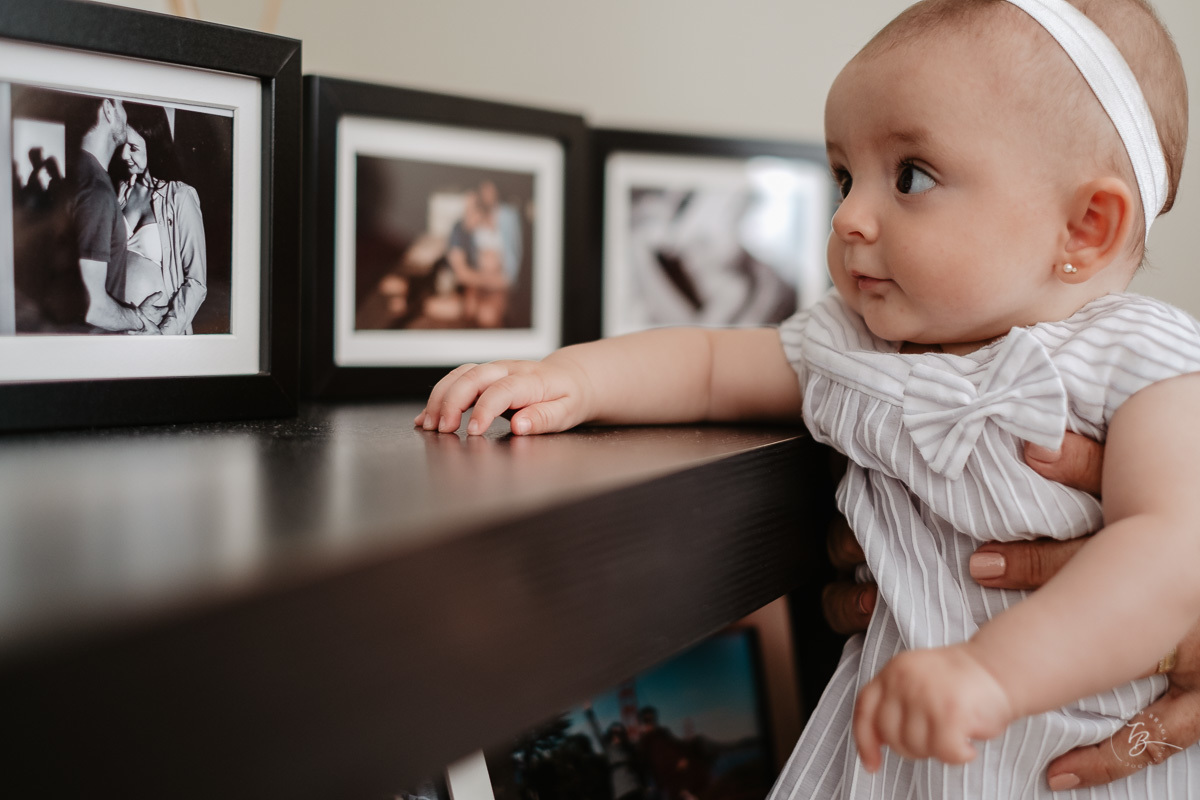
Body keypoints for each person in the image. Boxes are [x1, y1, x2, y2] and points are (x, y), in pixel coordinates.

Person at [415, 0, 1200, 796]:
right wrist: (572, 378)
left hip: (1080, 756)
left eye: (911, 176)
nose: (851, 216)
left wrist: (993, 674)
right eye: (843, 177)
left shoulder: (1141, 358)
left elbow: (1172, 549)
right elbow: (713, 365)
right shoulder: (855, 344)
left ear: (1086, 228)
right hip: (889, 756)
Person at [112, 102, 208, 335]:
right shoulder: (120, 191)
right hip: (117, 328)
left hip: (156, 333)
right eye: (122, 145)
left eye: (133, 147)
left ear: (152, 145)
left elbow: (196, 282)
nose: (124, 154)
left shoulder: (181, 197)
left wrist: (162, 333)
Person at [72, 96, 164, 334]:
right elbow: (94, 307)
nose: (126, 113)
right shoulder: (97, 191)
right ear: (108, 109)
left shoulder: (82, 174)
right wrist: (140, 321)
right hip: (105, 338)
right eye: (122, 104)